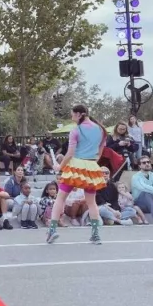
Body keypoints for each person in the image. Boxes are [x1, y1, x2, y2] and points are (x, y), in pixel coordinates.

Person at [46, 105, 107, 245]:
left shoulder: (76, 130)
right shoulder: (101, 130)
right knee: (92, 202)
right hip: (91, 165)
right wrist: (91, 163)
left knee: (60, 198)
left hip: (75, 166)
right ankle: (95, 235)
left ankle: (52, 230)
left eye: (72, 114)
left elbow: (70, 153)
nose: (71, 117)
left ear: (79, 114)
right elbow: (100, 151)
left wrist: (59, 166)